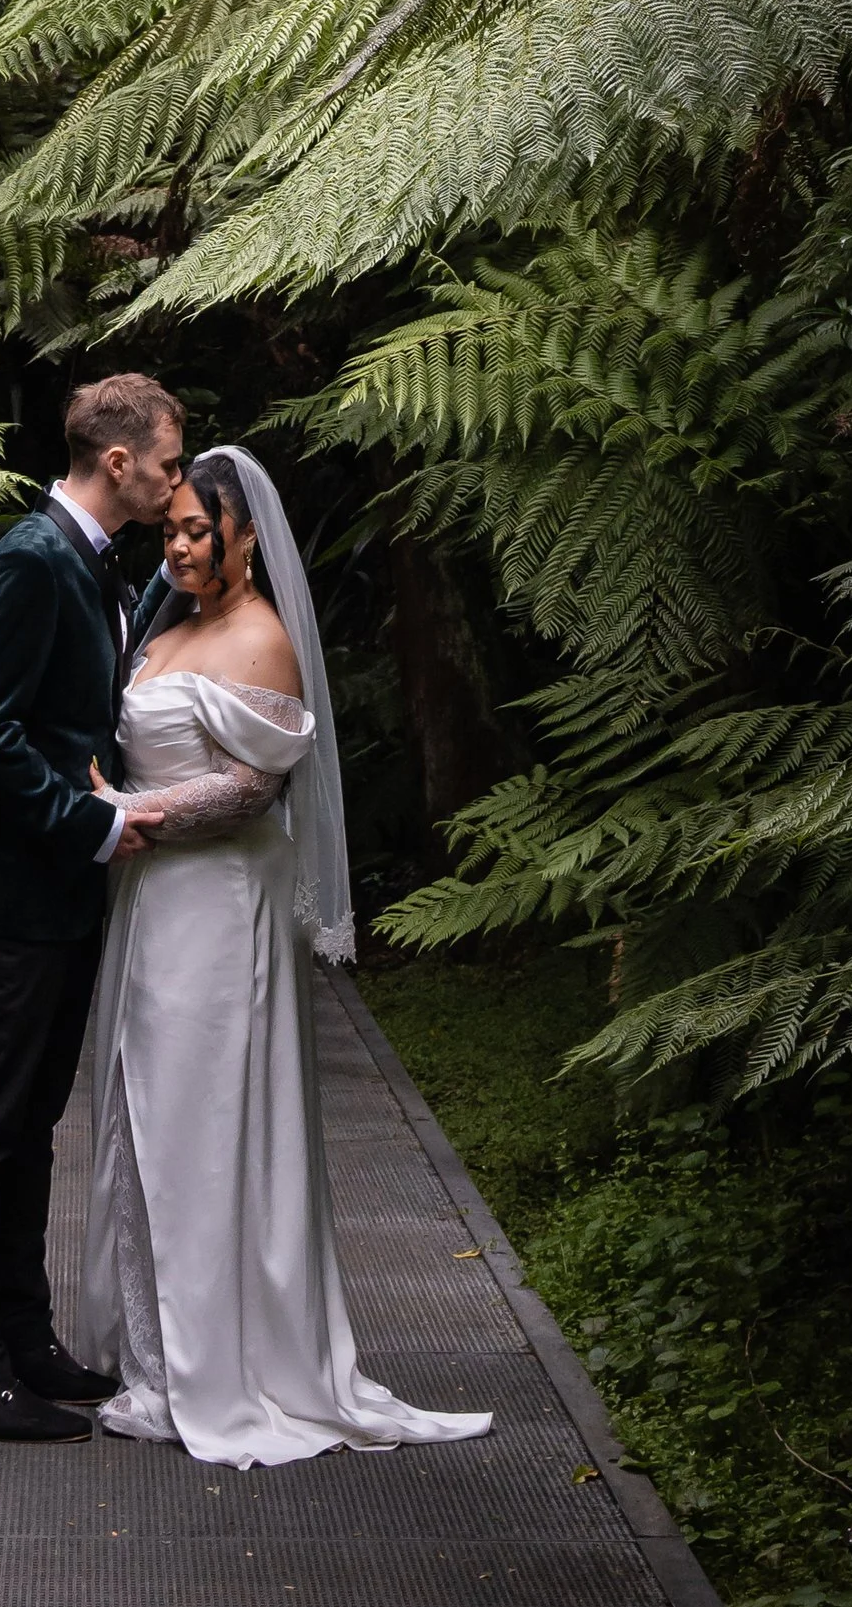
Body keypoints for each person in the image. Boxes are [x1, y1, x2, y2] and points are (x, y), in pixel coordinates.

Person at [75, 444, 495, 1466]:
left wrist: (121, 810)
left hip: (215, 904)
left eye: (195, 530)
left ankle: (223, 1367)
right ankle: (164, 1362)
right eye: (169, 527)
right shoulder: (167, 618)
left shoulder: (259, 638)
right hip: (153, 894)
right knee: (147, 1108)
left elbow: (250, 792)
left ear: (248, 537)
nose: (175, 545)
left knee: (205, 1119)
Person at [0, 370, 185, 1443]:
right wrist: (93, 826)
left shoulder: (95, 564)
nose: (174, 479)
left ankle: (24, 1340)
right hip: (13, 895)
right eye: (166, 460)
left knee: (31, 1130)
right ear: (116, 462)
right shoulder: (28, 561)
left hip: (62, 900)